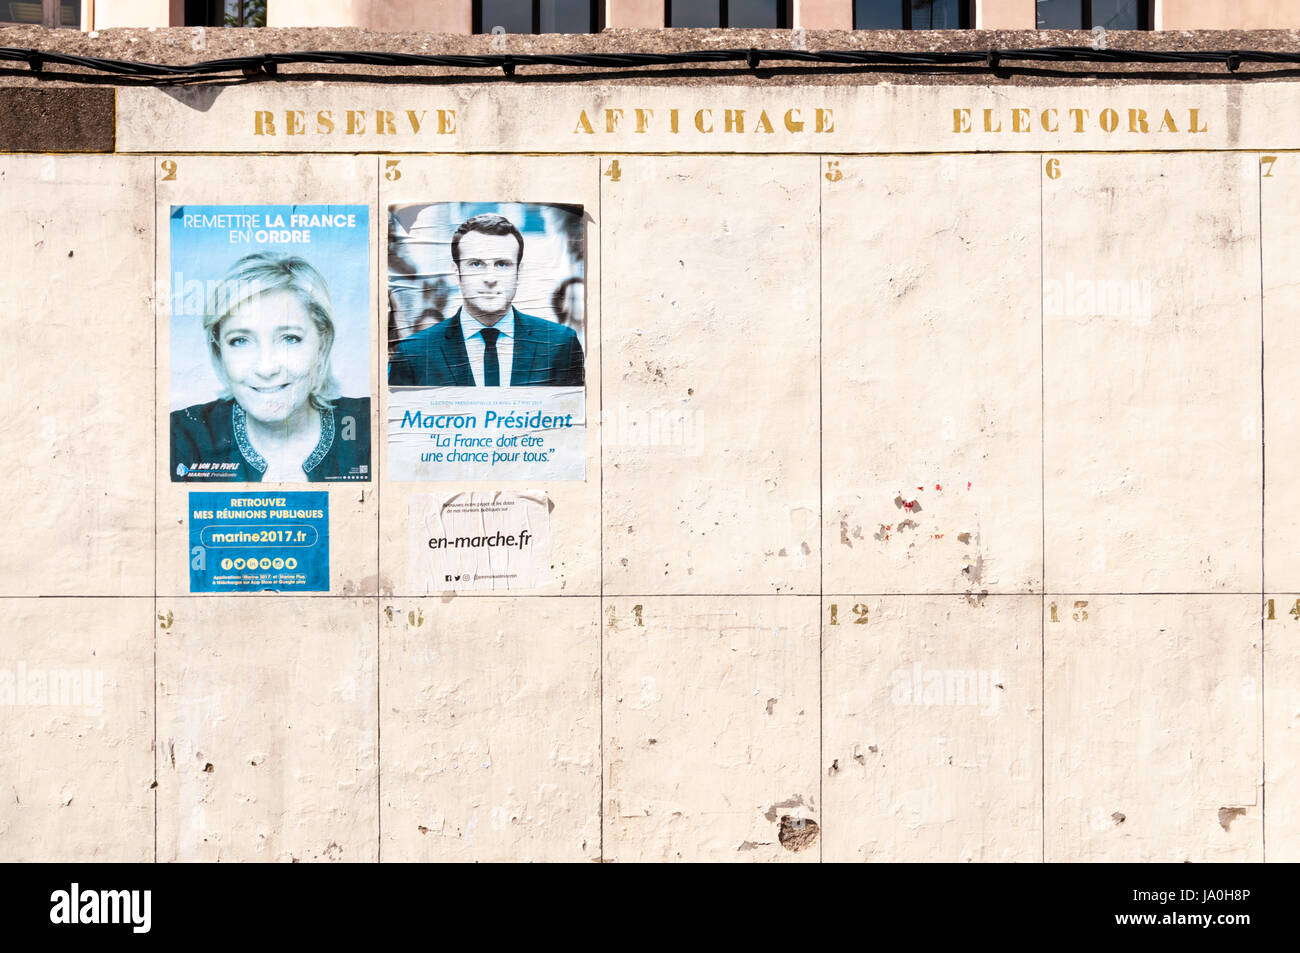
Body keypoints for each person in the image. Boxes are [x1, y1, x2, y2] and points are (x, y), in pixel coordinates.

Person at [171, 252, 370, 482]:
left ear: (322, 345)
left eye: (290, 338)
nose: (266, 368)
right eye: (240, 341)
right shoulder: (181, 438)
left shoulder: (370, 426)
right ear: (219, 352)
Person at [387, 213, 585, 387]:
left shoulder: (560, 344)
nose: (490, 278)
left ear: (519, 272)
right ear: (456, 272)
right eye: (476, 264)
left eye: (502, 264)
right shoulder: (414, 352)